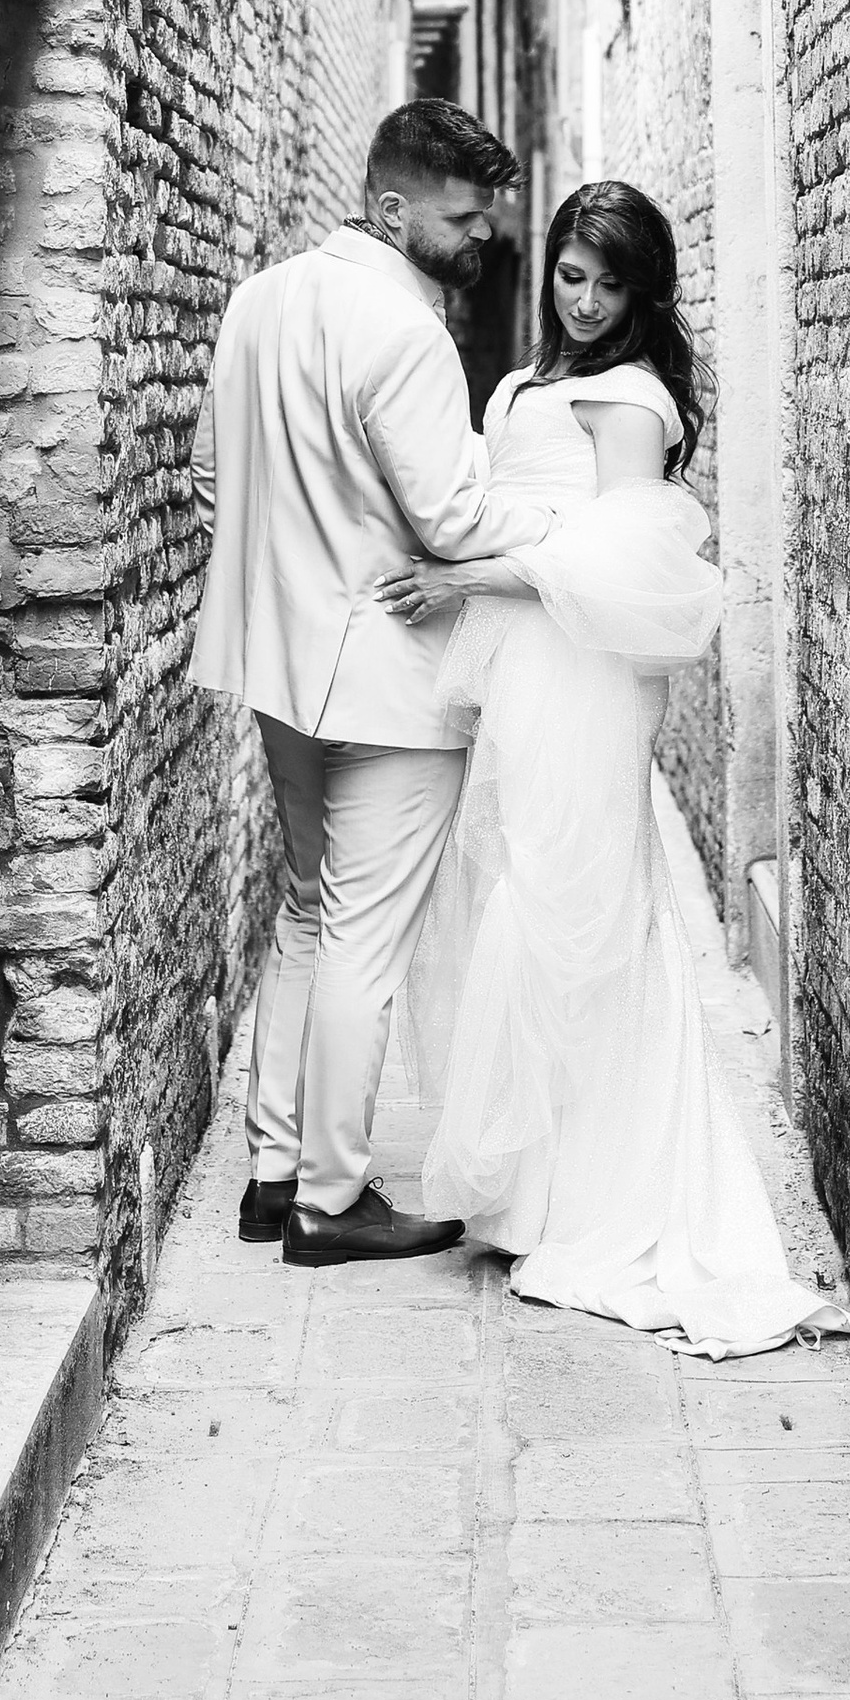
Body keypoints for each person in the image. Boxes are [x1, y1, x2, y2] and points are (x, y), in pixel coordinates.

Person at [372, 180, 838, 1357]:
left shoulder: (630, 398)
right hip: (523, 668)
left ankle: (608, 1198)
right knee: (519, 891)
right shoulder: (524, 385)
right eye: (570, 276)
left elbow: (629, 564)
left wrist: (465, 583)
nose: (584, 301)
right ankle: (538, 1193)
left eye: (608, 282)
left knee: (579, 906)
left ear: (642, 290)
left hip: (583, 674)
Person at [190, 102, 553, 1266]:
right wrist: (563, 517)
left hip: (275, 664)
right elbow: (451, 518)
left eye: (487, 218)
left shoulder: (258, 302)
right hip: (390, 680)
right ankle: (333, 1205)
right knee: (362, 936)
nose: (482, 238)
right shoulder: (407, 334)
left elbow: (211, 476)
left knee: (307, 908)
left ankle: (270, 1171)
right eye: (462, 218)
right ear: (392, 208)